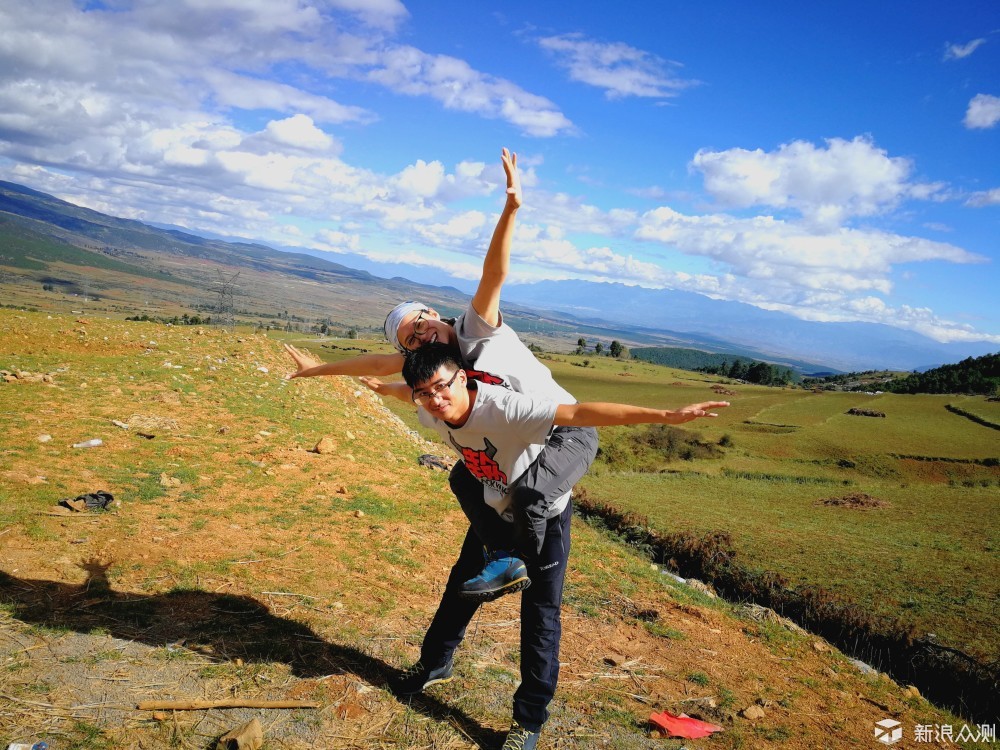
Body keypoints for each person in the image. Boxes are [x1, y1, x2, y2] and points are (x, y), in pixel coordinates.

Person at [286, 147, 599, 600]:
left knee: (530, 501)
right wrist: (318, 371)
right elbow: (377, 365)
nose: (422, 338)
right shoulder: (437, 367)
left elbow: (494, 274)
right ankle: (501, 561)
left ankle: (517, 566)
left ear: (432, 312)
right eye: (411, 342)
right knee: (465, 479)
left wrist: (510, 208)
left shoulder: (474, 328)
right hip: (520, 438)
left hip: (562, 428)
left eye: (420, 324)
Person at [397, 342, 729, 750]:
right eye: (424, 393)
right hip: (492, 510)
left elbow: (578, 414)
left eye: (442, 387)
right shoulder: (430, 408)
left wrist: (665, 415)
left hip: (543, 520)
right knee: (461, 586)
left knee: (539, 618)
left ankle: (529, 721)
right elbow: (391, 386)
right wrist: (325, 370)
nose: (435, 399)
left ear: (462, 378)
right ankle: (433, 665)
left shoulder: (504, 408)